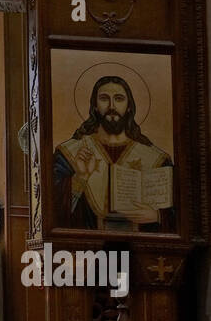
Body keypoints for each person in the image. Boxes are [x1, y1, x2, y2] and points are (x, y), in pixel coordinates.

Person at [53, 74, 172, 229]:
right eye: (104, 98)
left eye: (119, 98)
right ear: (94, 106)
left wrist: (158, 216)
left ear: (129, 106)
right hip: (88, 250)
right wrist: (80, 177)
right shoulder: (70, 153)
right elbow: (53, 212)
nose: (112, 107)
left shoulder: (156, 159)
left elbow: (179, 212)